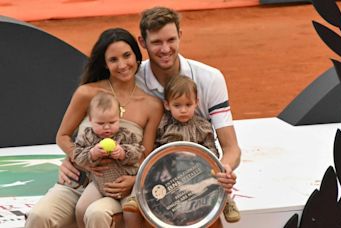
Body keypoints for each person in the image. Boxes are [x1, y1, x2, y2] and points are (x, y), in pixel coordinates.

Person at [25, 27, 163, 228]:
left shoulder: (152, 105)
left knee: (96, 214)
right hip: (77, 183)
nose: (122, 65)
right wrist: (79, 158)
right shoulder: (87, 93)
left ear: (137, 55)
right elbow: (62, 136)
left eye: (127, 56)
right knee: (39, 216)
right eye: (113, 60)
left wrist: (133, 181)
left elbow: (146, 154)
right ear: (105, 64)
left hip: (114, 187)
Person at [131, 6, 242, 226]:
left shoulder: (211, 79)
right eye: (156, 42)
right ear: (142, 42)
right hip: (154, 181)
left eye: (171, 40)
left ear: (180, 36)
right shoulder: (132, 81)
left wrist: (224, 170)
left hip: (200, 178)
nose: (165, 49)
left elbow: (231, 148)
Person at [124, 76, 240, 223]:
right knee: (148, 172)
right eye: (177, 106)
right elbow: (154, 148)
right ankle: (136, 197)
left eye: (188, 104)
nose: (183, 110)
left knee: (218, 175)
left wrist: (211, 167)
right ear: (167, 105)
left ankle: (227, 203)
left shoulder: (202, 126)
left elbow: (211, 151)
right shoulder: (162, 124)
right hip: (168, 169)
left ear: (196, 103)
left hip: (194, 169)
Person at [73, 92, 145, 228]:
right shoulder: (87, 136)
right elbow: (77, 157)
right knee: (81, 208)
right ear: (90, 119)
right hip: (99, 183)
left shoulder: (125, 135)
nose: (107, 127)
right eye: (100, 123)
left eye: (112, 122)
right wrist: (92, 153)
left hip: (127, 184)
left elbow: (138, 152)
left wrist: (123, 153)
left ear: (119, 117)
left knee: (131, 212)